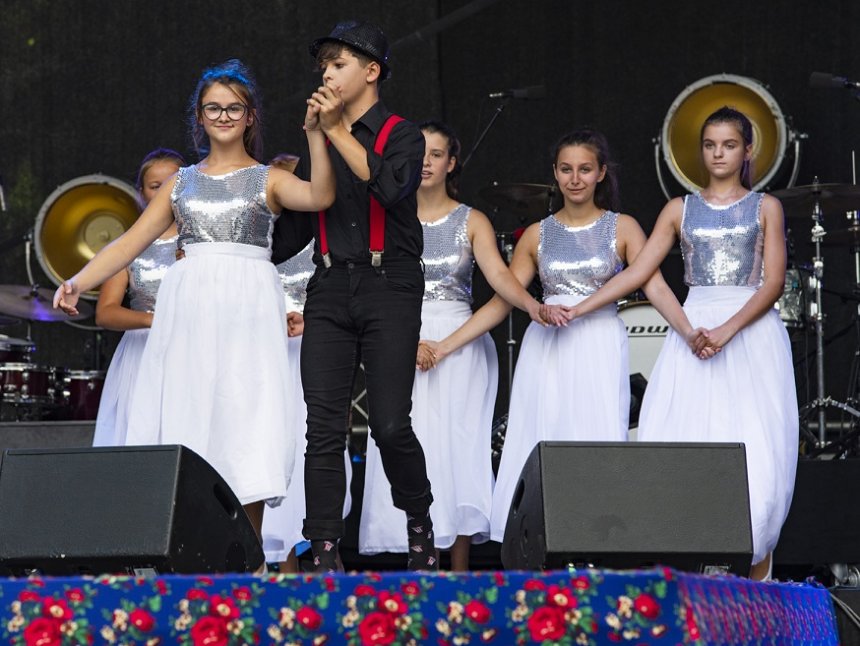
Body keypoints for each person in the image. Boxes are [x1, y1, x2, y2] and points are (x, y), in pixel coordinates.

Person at [270, 20, 546, 572]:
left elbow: (391, 187)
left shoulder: (403, 136)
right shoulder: (320, 137)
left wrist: (335, 132)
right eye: (324, 67)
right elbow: (292, 236)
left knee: (391, 424)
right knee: (322, 428)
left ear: (371, 72)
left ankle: (419, 522)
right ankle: (324, 550)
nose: (327, 75)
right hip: (329, 284)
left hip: (389, 284)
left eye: (339, 64)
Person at [54, 59, 335, 541]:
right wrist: (78, 281)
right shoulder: (181, 182)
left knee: (245, 419)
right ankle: (188, 552)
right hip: (190, 307)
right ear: (200, 117)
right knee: (189, 413)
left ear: (250, 116)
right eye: (213, 108)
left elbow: (321, 197)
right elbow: (129, 243)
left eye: (234, 108)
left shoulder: (268, 178)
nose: (224, 116)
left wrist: (315, 133)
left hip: (248, 305)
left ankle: (248, 558)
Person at [423, 128, 699, 544]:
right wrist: (446, 346)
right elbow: (503, 299)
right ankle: (539, 544)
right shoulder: (537, 234)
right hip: (547, 347)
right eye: (566, 169)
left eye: (585, 169)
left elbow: (655, 286)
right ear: (554, 173)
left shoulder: (622, 227)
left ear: (601, 173)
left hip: (597, 343)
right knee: (542, 438)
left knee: (595, 438)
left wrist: (690, 333)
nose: (575, 178)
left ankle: (596, 541)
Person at [563, 107, 797, 580]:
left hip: (749, 333)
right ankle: (697, 579)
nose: (718, 154)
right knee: (685, 440)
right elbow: (639, 272)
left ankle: (757, 582)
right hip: (694, 331)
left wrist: (727, 330)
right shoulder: (678, 209)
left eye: (729, 145)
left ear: (747, 150)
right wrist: (583, 307)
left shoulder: (766, 207)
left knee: (756, 447)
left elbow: (773, 282)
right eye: (710, 145)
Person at [358, 120, 546, 570]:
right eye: (418, 153)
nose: (425, 162)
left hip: (459, 345)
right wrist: (403, 342)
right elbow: (369, 288)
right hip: (398, 336)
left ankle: (459, 571)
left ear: (451, 163)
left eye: (436, 154)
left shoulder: (472, 220)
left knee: (459, 449)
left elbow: (501, 285)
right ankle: (417, 562)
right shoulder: (384, 217)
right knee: (404, 439)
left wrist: (531, 307)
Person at [261, 152, 352, 573]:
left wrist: (311, 320)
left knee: (313, 442)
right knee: (270, 443)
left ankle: (320, 551)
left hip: (312, 350)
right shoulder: (259, 241)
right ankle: (277, 563)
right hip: (266, 354)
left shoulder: (325, 237)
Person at [91, 148, 186, 447]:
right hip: (142, 353)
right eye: (156, 186)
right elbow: (105, 312)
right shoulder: (128, 246)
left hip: (191, 346)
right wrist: (152, 320)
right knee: (141, 438)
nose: (165, 191)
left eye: (172, 182)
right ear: (141, 193)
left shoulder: (202, 240)